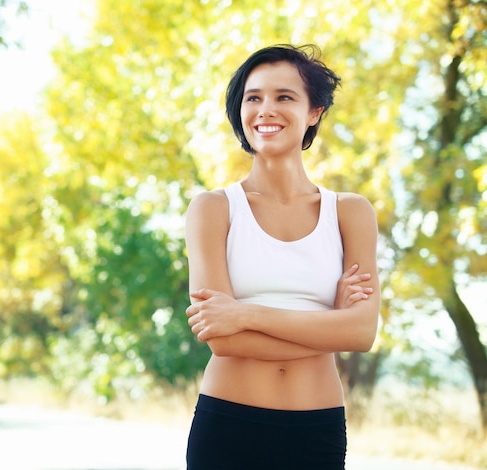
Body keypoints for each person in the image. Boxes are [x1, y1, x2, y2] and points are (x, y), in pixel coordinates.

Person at [184, 44, 380, 469]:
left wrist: (246, 315)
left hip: (318, 430)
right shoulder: (213, 209)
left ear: (315, 111)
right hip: (228, 427)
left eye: (284, 97)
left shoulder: (351, 213)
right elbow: (221, 338)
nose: (265, 110)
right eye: (252, 98)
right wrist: (330, 325)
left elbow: (362, 333)